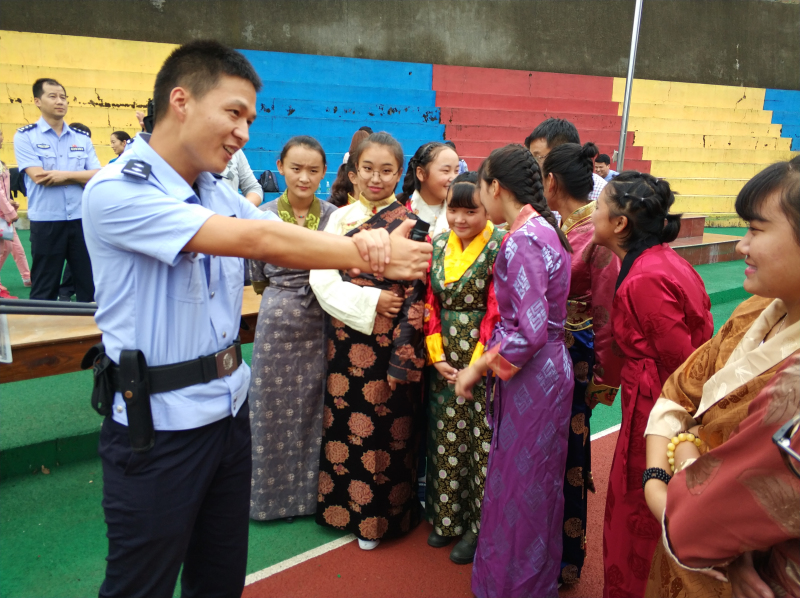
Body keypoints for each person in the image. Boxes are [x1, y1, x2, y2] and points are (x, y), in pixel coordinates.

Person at [81, 41, 430, 598]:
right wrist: (368, 251)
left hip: (227, 414)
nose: (244, 133)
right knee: (139, 585)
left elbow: (283, 235)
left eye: (250, 119)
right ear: (181, 101)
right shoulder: (119, 190)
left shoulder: (213, 189)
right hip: (159, 425)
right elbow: (257, 239)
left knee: (220, 578)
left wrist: (362, 245)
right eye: (234, 113)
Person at [642, 158, 800, 598]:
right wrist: (669, 465)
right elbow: (678, 390)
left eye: (756, 229)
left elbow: (692, 527)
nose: (741, 245)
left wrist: (675, 458)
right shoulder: (756, 308)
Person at [455, 144, 574, 598]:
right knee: (535, 480)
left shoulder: (522, 239)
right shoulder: (544, 228)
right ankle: (529, 580)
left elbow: (530, 330)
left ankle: (511, 586)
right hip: (546, 370)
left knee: (520, 483)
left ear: (494, 186)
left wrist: (479, 366)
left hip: (532, 374)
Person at [589, 172, 713, 598]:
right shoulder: (660, 261)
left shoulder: (645, 278)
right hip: (652, 392)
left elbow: (682, 363)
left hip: (658, 402)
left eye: (599, 207)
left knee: (640, 501)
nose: (593, 215)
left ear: (620, 223)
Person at [310, 132, 426, 551]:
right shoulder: (339, 219)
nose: (376, 179)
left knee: (388, 431)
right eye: (368, 169)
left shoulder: (414, 223)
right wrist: (372, 299)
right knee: (342, 422)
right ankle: (339, 509)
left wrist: (403, 357)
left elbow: (417, 292)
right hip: (344, 338)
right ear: (354, 172)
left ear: (400, 173)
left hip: (392, 342)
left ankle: (381, 520)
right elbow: (321, 277)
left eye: (386, 170)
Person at [540, 141, 622, 586]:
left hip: (578, 356)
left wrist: (603, 381)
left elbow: (608, 312)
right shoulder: (560, 224)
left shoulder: (595, 233)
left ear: (551, 182)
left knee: (571, 455)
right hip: (551, 352)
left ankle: (567, 559)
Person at [248, 135, 336, 523]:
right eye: (296, 168)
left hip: (321, 318)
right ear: (280, 167)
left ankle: (311, 499)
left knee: (316, 405)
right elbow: (257, 275)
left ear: (324, 173)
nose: (304, 177)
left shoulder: (335, 216)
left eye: (313, 170)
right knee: (269, 407)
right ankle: (270, 501)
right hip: (277, 320)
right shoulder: (261, 215)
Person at [423, 179, 505, 564]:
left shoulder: (499, 246)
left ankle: (477, 527)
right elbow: (430, 301)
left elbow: (497, 308)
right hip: (444, 357)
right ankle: (445, 518)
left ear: (487, 209)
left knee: (480, 443)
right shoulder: (438, 243)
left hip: (482, 357)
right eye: (453, 210)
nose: (459, 218)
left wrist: (476, 362)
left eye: (470, 211)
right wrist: (435, 354)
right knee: (444, 436)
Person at [13, 81, 100, 302]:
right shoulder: (25, 136)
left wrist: (62, 176)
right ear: (37, 101)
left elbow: (97, 175)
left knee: (89, 286)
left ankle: (88, 326)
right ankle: (43, 324)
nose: (60, 101)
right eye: (52, 96)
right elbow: (39, 177)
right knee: (44, 288)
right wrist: (79, 177)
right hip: (46, 222)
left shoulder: (81, 137)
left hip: (81, 220)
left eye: (63, 97)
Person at [524, 117, 607, 202]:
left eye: (537, 158)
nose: (532, 165)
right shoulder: (533, 187)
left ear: (563, 155)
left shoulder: (603, 193)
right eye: (531, 158)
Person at [398, 141, 461, 238]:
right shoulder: (397, 216)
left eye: (456, 171)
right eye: (446, 171)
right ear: (421, 173)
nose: (453, 178)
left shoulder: (463, 216)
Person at [0, 129, 31, 296]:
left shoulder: (1, 164)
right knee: (5, 248)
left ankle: (27, 277)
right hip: (4, 214)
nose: (1, 140)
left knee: (14, 246)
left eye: (1, 136)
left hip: (4, 213)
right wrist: (10, 212)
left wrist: (9, 203)